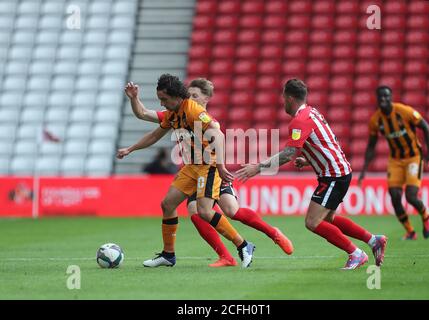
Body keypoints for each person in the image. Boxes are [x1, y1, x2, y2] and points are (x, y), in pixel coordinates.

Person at [123, 78, 293, 267]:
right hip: (192, 168)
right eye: (191, 94)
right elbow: (145, 117)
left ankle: (264, 237)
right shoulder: (174, 113)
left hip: (210, 166)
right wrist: (134, 101)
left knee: (229, 211)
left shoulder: (197, 113)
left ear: (206, 99)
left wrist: (220, 166)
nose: (192, 98)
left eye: (195, 95)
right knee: (175, 206)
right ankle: (181, 255)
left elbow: (218, 136)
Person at [236, 79, 388, 270]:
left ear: (290, 98)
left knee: (312, 222)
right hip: (339, 172)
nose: (282, 101)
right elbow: (329, 142)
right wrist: (309, 160)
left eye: (283, 97)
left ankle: (356, 254)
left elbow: (289, 154)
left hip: (333, 175)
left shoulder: (299, 121)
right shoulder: (312, 112)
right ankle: (374, 240)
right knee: (328, 219)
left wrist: (257, 168)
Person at [358, 86, 429, 240]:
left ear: (391, 97)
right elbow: (371, 146)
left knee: (411, 196)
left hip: (414, 157)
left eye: (386, 97)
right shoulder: (376, 120)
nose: (383, 100)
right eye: (380, 97)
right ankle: (410, 231)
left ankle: (426, 216)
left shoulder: (404, 111)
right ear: (377, 99)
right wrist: (363, 170)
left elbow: (425, 127)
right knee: (394, 196)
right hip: (395, 160)